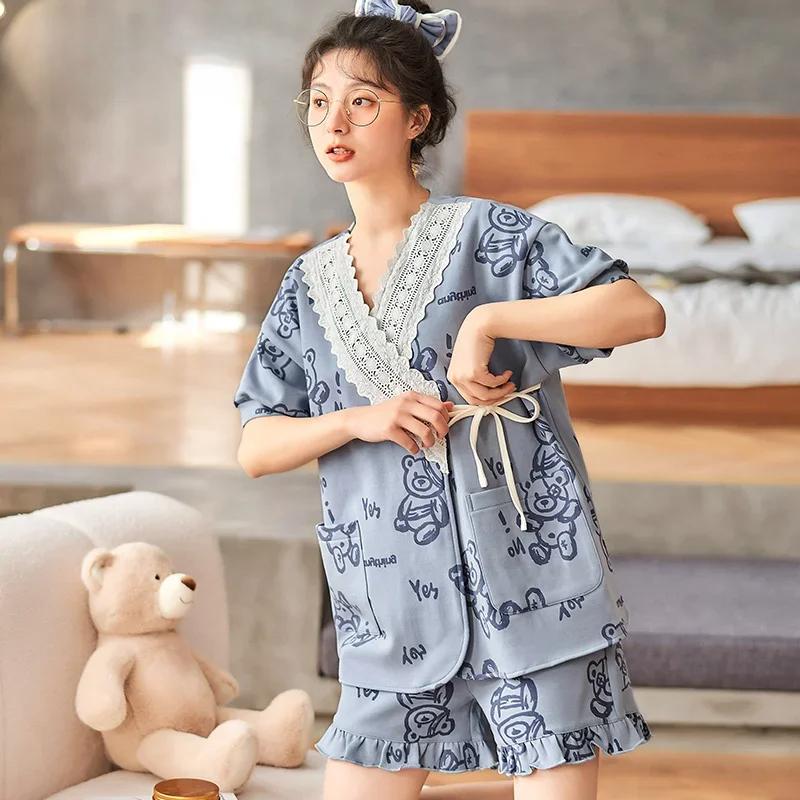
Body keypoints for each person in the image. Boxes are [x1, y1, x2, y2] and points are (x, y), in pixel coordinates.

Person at [233, 1, 666, 798]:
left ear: (417, 119)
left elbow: (637, 311)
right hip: (389, 608)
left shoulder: (491, 236)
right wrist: (359, 420)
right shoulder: (307, 285)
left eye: (364, 101)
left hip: (529, 589)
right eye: (320, 101)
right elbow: (256, 446)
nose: (335, 121)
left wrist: (488, 320)